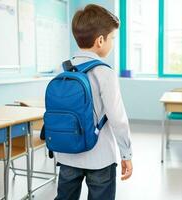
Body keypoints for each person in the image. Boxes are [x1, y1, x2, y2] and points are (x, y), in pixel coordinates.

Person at [55, 4, 133, 200]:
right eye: (112, 38)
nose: (113, 43)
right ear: (100, 40)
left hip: (67, 153)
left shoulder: (64, 70)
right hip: (100, 157)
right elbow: (118, 118)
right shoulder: (105, 72)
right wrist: (126, 154)